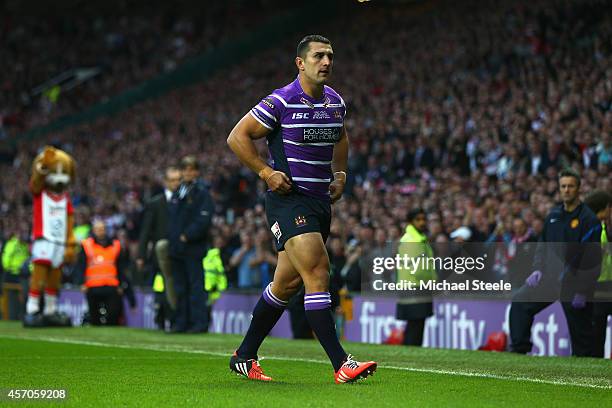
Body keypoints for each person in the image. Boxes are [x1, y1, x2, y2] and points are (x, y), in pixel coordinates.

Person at [226, 34, 376, 383]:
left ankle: (244, 356)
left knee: (286, 284)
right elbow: (237, 136)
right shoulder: (281, 101)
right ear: (301, 63)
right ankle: (342, 363)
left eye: (330, 56)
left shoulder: (335, 102)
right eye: (319, 56)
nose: (326, 62)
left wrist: (340, 173)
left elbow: (341, 137)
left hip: (319, 202)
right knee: (319, 272)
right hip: (288, 200)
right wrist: (265, 171)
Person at [509, 169, 602, 356]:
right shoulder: (553, 216)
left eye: (571, 186)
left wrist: (583, 291)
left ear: (578, 189)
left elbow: (592, 259)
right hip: (550, 280)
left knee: (582, 338)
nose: (566, 190)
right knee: (520, 301)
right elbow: (542, 245)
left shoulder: (588, 220)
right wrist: (537, 269)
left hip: (574, 284)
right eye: (563, 186)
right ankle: (519, 351)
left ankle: (586, 371)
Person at [167, 156, 214, 333]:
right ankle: (181, 322)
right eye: (185, 169)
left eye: (191, 169)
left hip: (193, 248)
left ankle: (198, 323)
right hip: (177, 248)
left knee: (195, 287)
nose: (188, 172)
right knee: (180, 287)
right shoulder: (179, 191)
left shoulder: (202, 193)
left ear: (196, 172)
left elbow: (204, 219)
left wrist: (187, 235)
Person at [137, 166, 181, 312]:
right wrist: (141, 255)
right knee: (162, 285)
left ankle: (176, 316)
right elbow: (145, 231)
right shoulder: (155, 203)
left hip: (180, 251)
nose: (176, 183)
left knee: (178, 284)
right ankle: (164, 314)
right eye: (173, 180)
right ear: (165, 182)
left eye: (178, 180)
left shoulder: (184, 200)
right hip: (160, 254)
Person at [76, 220, 135, 326]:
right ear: (93, 231)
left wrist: (121, 285)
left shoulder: (115, 245)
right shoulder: (86, 245)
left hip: (111, 286)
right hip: (92, 286)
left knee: (113, 316)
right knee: (95, 318)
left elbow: (120, 268)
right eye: (98, 229)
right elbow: (81, 266)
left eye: (102, 229)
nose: (100, 231)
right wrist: (81, 283)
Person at [396, 208, 437, 346]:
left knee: (414, 326)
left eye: (423, 219)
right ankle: (410, 356)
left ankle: (407, 356)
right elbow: (418, 268)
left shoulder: (415, 238)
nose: (422, 222)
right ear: (410, 222)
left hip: (412, 287)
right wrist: (432, 280)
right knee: (416, 327)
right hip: (416, 287)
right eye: (418, 219)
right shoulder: (414, 240)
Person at [584, 190, 612, 358]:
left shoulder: (600, 228)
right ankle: (596, 365)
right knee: (597, 333)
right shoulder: (595, 229)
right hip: (598, 286)